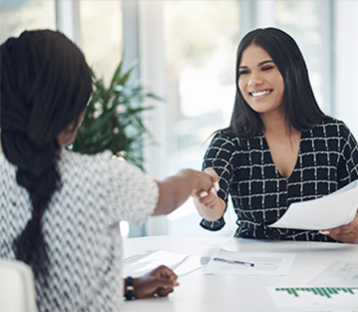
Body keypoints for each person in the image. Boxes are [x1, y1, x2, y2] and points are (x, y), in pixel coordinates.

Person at [0, 30, 218, 311]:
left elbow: (37, 284)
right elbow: (166, 198)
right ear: (75, 114)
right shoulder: (100, 178)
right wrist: (193, 177)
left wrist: (130, 285)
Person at [193, 28, 358, 244]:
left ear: (292, 71)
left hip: (321, 264)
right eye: (244, 72)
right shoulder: (228, 143)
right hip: (254, 268)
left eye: (266, 68)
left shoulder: (334, 135)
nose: (253, 81)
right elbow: (214, 212)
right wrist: (205, 199)